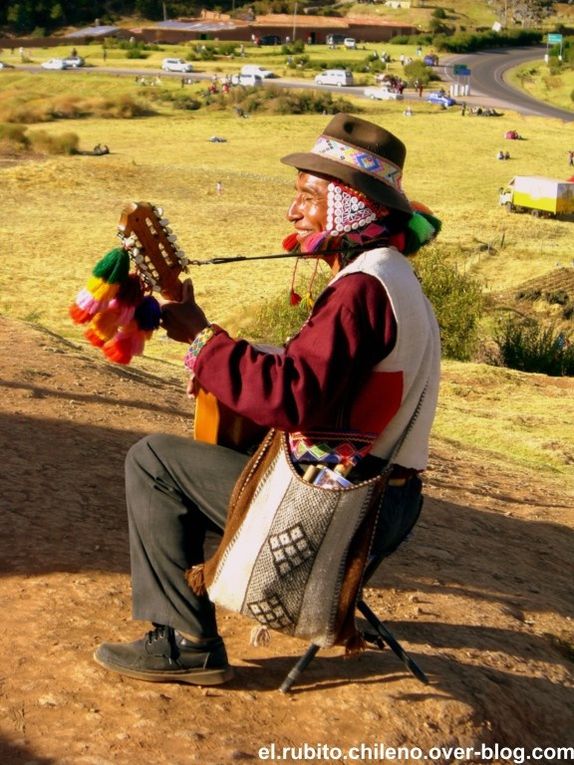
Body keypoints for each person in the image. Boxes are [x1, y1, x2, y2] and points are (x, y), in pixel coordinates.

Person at [93, 114, 442, 686]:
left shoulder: (359, 290)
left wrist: (205, 343)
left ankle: (186, 642)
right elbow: (329, 375)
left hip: (346, 510)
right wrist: (227, 358)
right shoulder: (390, 276)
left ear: (352, 205)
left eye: (308, 197)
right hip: (388, 499)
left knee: (153, 462)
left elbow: (294, 397)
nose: (293, 212)